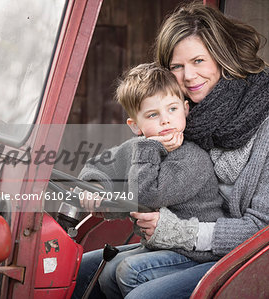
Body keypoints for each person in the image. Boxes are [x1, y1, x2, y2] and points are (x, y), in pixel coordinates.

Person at [74, 2, 269, 298]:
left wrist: (179, 231)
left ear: (221, 57)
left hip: (253, 256)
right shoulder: (184, 116)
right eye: (177, 66)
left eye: (198, 60)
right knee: (85, 270)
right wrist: (98, 183)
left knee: (140, 291)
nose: (188, 76)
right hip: (193, 246)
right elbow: (130, 155)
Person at [72, 62, 226, 299]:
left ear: (186, 109)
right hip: (158, 245)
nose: (165, 121)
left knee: (127, 271)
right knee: (91, 268)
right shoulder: (141, 147)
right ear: (135, 126)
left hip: (195, 252)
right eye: (153, 115)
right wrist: (95, 185)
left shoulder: (192, 159)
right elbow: (100, 164)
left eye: (172, 109)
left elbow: (145, 195)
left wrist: (149, 147)